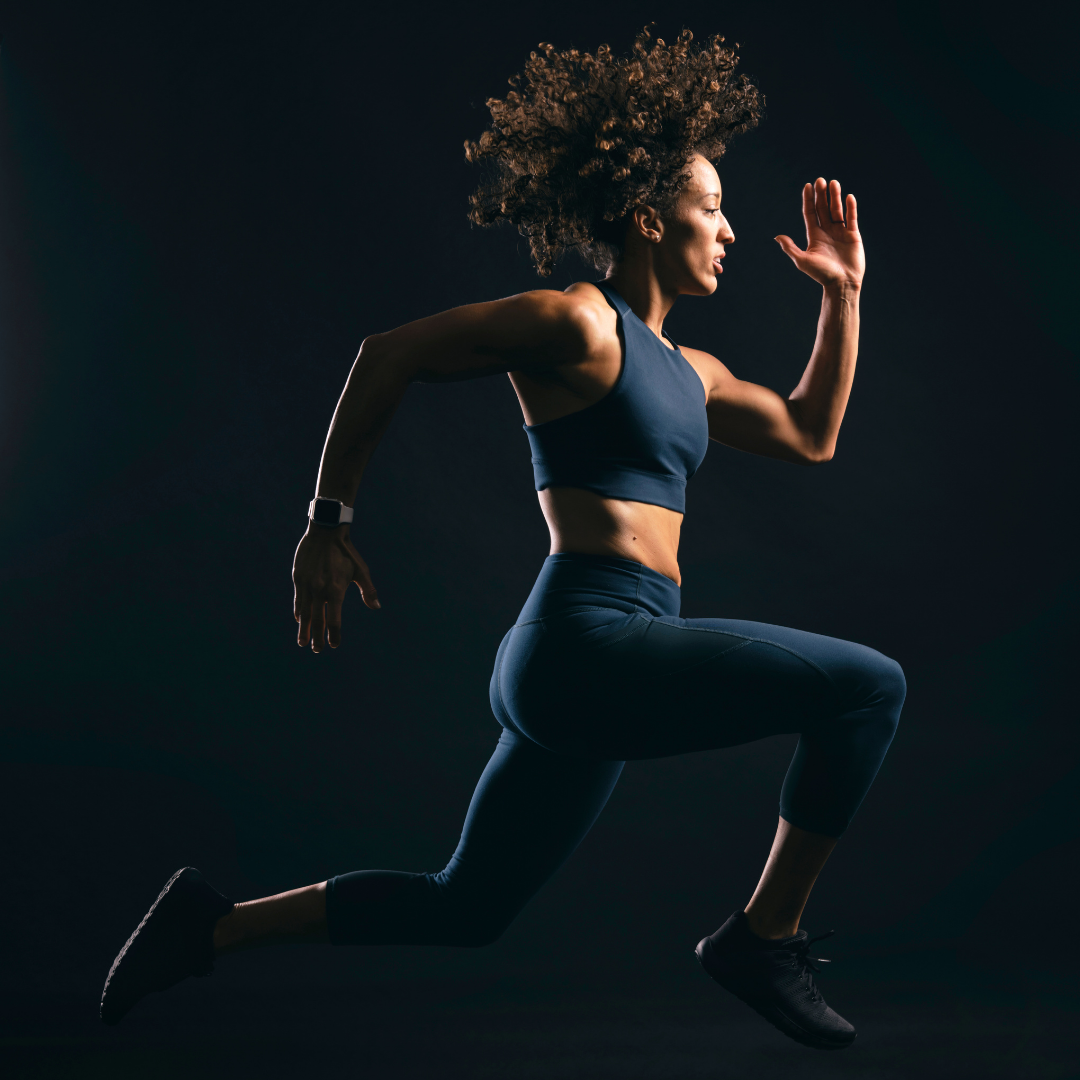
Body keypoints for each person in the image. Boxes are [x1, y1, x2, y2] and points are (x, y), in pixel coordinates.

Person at [101, 29, 905, 1051]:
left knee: (466, 909)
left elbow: (809, 433)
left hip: (597, 666)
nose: (731, 231)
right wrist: (326, 522)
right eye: (712, 208)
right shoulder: (577, 323)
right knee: (869, 687)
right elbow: (388, 354)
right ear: (650, 218)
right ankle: (762, 936)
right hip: (588, 641)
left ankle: (209, 928)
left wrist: (843, 294)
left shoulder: (691, 370)